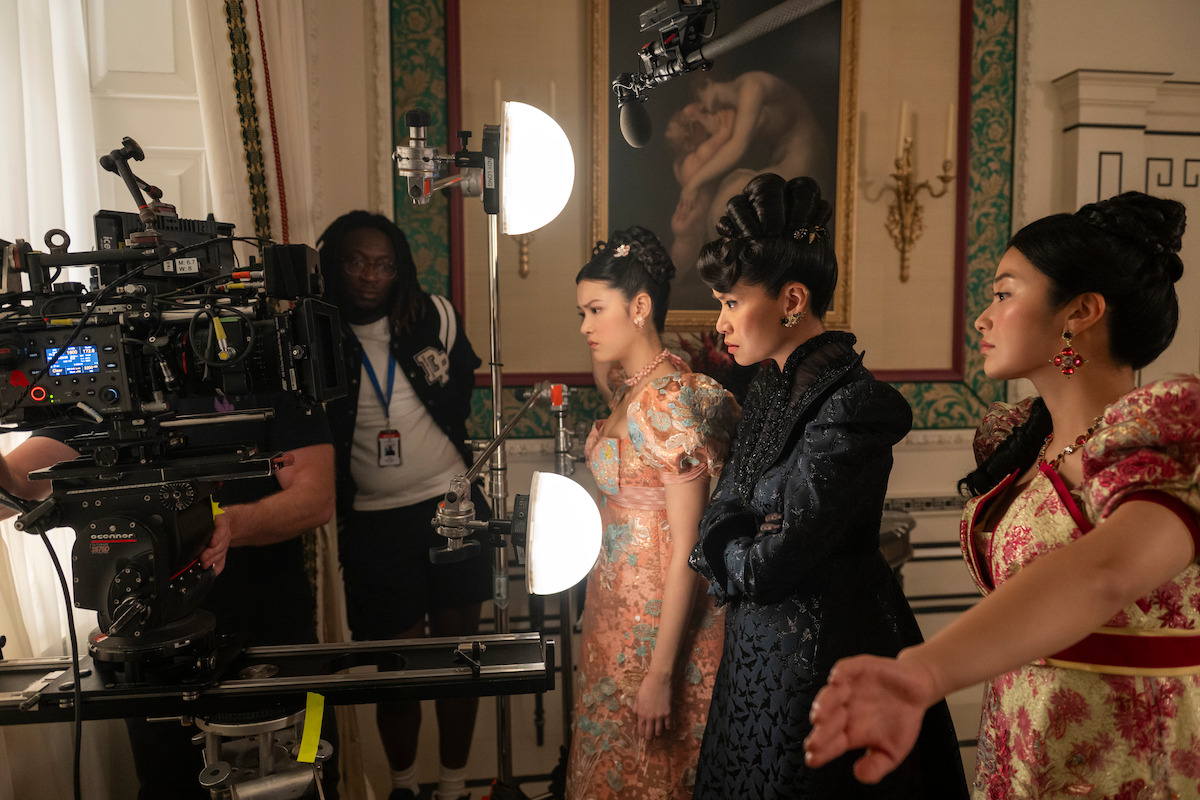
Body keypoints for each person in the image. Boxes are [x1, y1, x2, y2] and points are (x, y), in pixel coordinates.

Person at [803, 192, 1200, 798]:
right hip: (1018, 742)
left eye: (1004, 293)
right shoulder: (1020, 441)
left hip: (1126, 762)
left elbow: (1106, 573)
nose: (983, 318)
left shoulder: (1165, 435)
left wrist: (923, 672)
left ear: (1081, 311)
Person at [687, 173, 969, 799]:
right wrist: (740, 539)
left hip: (821, 656)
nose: (721, 322)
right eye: (720, 303)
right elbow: (720, 516)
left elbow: (774, 560)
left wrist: (736, 545)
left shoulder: (854, 403)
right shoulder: (766, 387)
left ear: (792, 298)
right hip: (753, 657)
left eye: (732, 302)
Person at [0, 390, 339, 799]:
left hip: (273, 640)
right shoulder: (100, 388)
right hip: (149, 660)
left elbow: (316, 497)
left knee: (307, 784)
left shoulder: (265, 367)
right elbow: (15, 484)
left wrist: (228, 524)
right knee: (171, 787)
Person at [317, 211, 491, 800]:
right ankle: (403, 787)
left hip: (452, 502)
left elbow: (463, 383)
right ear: (336, 264)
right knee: (397, 668)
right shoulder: (316, 333)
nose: (371, 275)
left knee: (458, 655)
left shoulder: (433, 315)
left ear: (400, 269)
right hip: (373, 523)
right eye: (357, 262)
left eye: (384, 264)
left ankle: (454, 786)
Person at [566, 226, 739, 799]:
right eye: (582, 313)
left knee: (652, 776)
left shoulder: (669, 400)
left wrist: (661, 673)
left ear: (639, 307)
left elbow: (691, 545)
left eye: (595, 310)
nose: (586, 327)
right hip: (611, 615)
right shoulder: (633, 389)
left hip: (656, 626)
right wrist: (610, 381)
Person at [665, 72, 827, 278]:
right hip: (785, 160)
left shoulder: (752, 87)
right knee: (728, 201)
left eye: (701, 102)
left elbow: (737, 146)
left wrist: (692, 185)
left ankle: (751, 274)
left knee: (733, 196)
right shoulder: (735, 104)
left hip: (803, 163)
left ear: (706, 84)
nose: (706, 109)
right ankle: (736, 274)